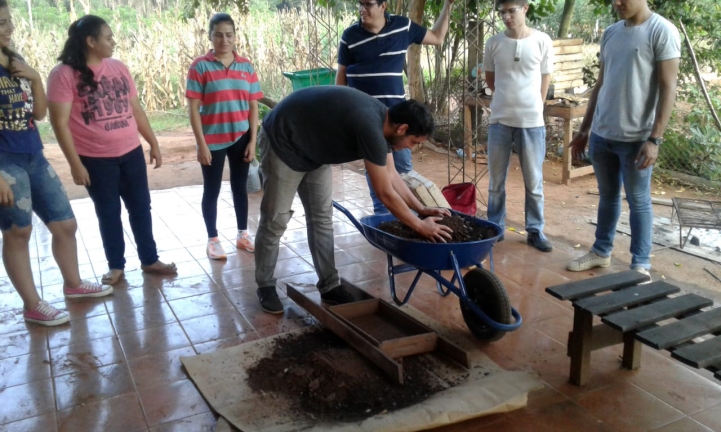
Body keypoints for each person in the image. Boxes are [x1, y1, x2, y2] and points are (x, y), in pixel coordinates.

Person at [255, 86, 452, 314]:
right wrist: (419, 225)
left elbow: (392, 175)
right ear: (403, 128)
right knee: (276, 219)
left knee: (321, 218)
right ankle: (265, 285)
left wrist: (421, 208)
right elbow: (385, 193)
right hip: (283, 141)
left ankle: (330, 287)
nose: (412, 148)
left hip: (314, 149)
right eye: (414, 142)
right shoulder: (370, 125)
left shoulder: (385, 125)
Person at [0, 1, 112, 326]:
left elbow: (37, 114)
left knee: (65, 224)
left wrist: (35, 78)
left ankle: (73, 285)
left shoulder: (15, 61)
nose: (8, 28)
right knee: (18, 232)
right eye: (1, 23)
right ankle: (32, 304)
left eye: (8, 21)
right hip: (4, 163)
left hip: (33, 155)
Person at [47, 15, 177, 285]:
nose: (113, 42)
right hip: (95, 159)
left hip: (130, 152)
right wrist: (75, 164)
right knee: (108, 212)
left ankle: (149, 259)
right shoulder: (63, 75)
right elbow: (59, 123)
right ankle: (116, 266)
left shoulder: (118, 68)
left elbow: (136, 108)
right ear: (91, 41)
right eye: (108, 37)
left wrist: (152, 142)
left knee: (141, 207)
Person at [566, 0, 680, 275]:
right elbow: (601, 84)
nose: (617, 3)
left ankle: (640, 264)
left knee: (638, 200)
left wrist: (655, 139)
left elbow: (668, 88)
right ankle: (601, 251)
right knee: (608, 196)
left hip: (636, 139)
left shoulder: (661, 31)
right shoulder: (611, 32)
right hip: (602, 134)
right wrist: (584, 131)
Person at [336, 0, 454, 214]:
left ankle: (410, 217)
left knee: (402, 172)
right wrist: (342, 113)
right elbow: (341, 78)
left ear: (383, 5)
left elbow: (437, 38)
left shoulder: (403, 26)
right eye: (360, 4)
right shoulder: (349, 36)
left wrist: (448, 5)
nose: (363, 9)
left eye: (368, 4)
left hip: (396, 119)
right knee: (377, 170)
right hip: (365, 119)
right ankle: (384, 218)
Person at [186, 13, 263, 260]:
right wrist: (201, 144)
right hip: (212, 140)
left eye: (229, 35)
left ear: (235, 36)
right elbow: (193, 109)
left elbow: (253, 107)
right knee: (212, 190)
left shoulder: (246, 66)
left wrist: (252, 140)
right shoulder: (200, 67)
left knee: (240, 188)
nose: (224, 40)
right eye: (218, 35)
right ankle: (213, 239)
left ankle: (242, 235)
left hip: (241, 136)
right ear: (210, 36)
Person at [482, 0, 554, 252]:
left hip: (532, 122)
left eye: (511, 10)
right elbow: (490, 80)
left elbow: (546, 76)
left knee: (534, 181)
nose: (506, 17)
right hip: (499, 120)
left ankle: (535, 230)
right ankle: (495, 226)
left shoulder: (542, 40)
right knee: (495, 182)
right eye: (502, 12)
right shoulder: (493, 43)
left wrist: (538, 105)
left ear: (525, 8)